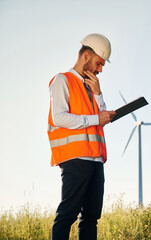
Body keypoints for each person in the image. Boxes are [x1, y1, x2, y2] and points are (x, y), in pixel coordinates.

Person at [47, 33, 116, 240]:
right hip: (75, 159)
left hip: (96, 160)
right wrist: (96, 118)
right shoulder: (62, 80)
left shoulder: (90, 87)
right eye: (98, 63)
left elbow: (100, 118)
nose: (100, 69)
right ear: (86, 56)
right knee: (67, 216)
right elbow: (59, 117)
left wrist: (99, 94)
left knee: (91, 218)